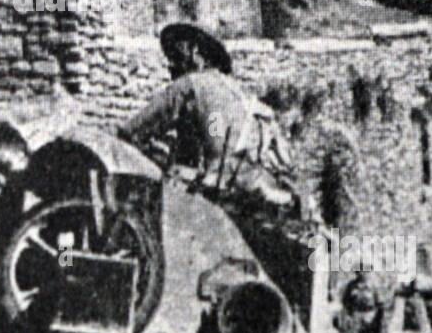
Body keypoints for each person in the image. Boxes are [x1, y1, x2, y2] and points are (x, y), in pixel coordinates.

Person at [117, 21, 298, 217]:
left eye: (176, 54)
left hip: (218, 190)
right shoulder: (236, 90)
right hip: (256, 183)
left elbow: (133, 130)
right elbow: (215, 129)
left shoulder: (189, 85)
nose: (170, 64)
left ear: (195, 52)